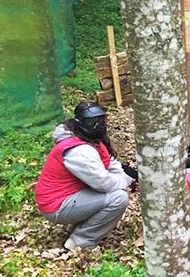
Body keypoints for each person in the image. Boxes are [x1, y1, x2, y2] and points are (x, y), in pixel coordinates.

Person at [35, 101, 136, 250]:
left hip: (68, 197)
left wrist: (127, 177)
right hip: (56, 205)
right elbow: (103, 183)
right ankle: (81, 242)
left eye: (100, 120)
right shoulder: (78, 150)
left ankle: (77, 227)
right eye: (92, 122)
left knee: (116, 191)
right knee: (118, 198)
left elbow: (112, 164)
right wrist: (126, 181)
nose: (98, 125)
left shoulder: (90, 140)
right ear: (80, 123)